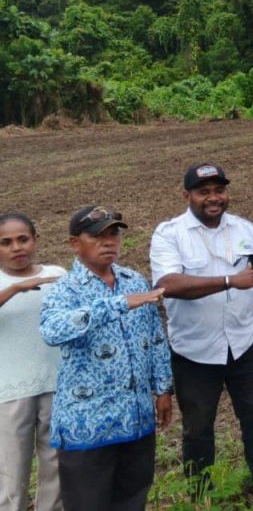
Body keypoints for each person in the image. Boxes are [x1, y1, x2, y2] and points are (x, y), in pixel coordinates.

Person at [149, 163, 253, 487]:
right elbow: (168, 284)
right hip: (194, 351)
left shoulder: (245, 230)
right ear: (187, 195)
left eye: (219, 190)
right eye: (204, 192)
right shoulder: (169, 234)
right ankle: (202, 496)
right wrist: (229, 281)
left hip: (245, 344)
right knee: (197, 429)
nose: (213, 198)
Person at [40, 206, 172, 511]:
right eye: (97, 236)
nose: (109, 242)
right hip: (87, 425)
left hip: (136, 419)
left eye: (113, 234)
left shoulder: (134, 281)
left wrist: (163, 389)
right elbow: (51, 330)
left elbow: (155, 337)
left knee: (132, 500)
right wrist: (115, 305)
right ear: (75, 243)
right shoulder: (64, 289)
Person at [0, 212, 65, 511]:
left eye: (23, 239)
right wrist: (15, 289)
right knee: (11, 472)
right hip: (10, 392)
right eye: (6, 242)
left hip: (57, 384)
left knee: (56, 468)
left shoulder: (56, 275)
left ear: (35, 240)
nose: (16, 248)